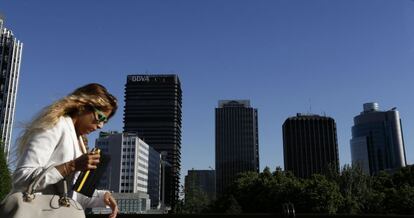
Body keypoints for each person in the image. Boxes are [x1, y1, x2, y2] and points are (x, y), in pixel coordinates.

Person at [12, 83, 119, 218]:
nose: (100, 126)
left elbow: (70, 196)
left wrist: (103, 197)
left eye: (105, 121)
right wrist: (71, 166)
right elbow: (21, 178)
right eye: (100, 117)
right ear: (82, 107)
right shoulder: (55, 125)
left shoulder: (79, 140)